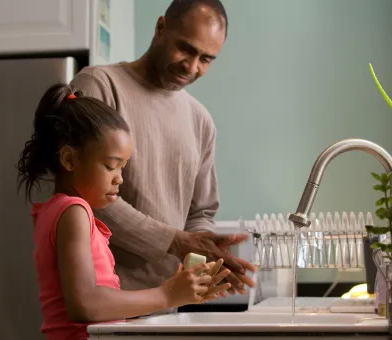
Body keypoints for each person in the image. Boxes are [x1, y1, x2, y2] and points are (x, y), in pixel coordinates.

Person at [70, 0, 256, 297]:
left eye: (206, 59)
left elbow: (200, 212)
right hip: (102, 300)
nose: (192, 67)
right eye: (186, 49)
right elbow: (83, 193)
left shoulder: (201, 121)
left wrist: (207, 252)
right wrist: (175, 241)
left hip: (167, 303)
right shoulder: (98, 86)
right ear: (160, 28)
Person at [16, 83, 231, 340]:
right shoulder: (74, 212)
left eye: (122, 168)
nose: (120, 179)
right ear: (69, 160)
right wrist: (167, 295)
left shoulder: (56, 211)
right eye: (111, 166)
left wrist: (174, 291)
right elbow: (85, 304)